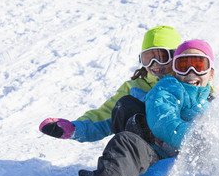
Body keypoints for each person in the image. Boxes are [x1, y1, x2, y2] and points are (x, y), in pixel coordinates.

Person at [83, 39, 216, 176]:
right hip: (161, 159)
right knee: (125, 142)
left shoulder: (216, 103)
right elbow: (163, 120)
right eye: (183, 66)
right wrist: (196, 140)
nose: (191, 72)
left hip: (203, 166)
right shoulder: (167, 89)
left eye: (199, 66)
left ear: (211, 73)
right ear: (175, 70)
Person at [39, 25, 181, 142]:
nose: (154, 64)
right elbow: (106, 114)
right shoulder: (134, 87)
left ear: (176, 56)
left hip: (177, 150)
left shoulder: (187, 83)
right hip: (142, 150)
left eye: (162, 57)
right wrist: (75, 128)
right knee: (125, 105)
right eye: (147, 58)